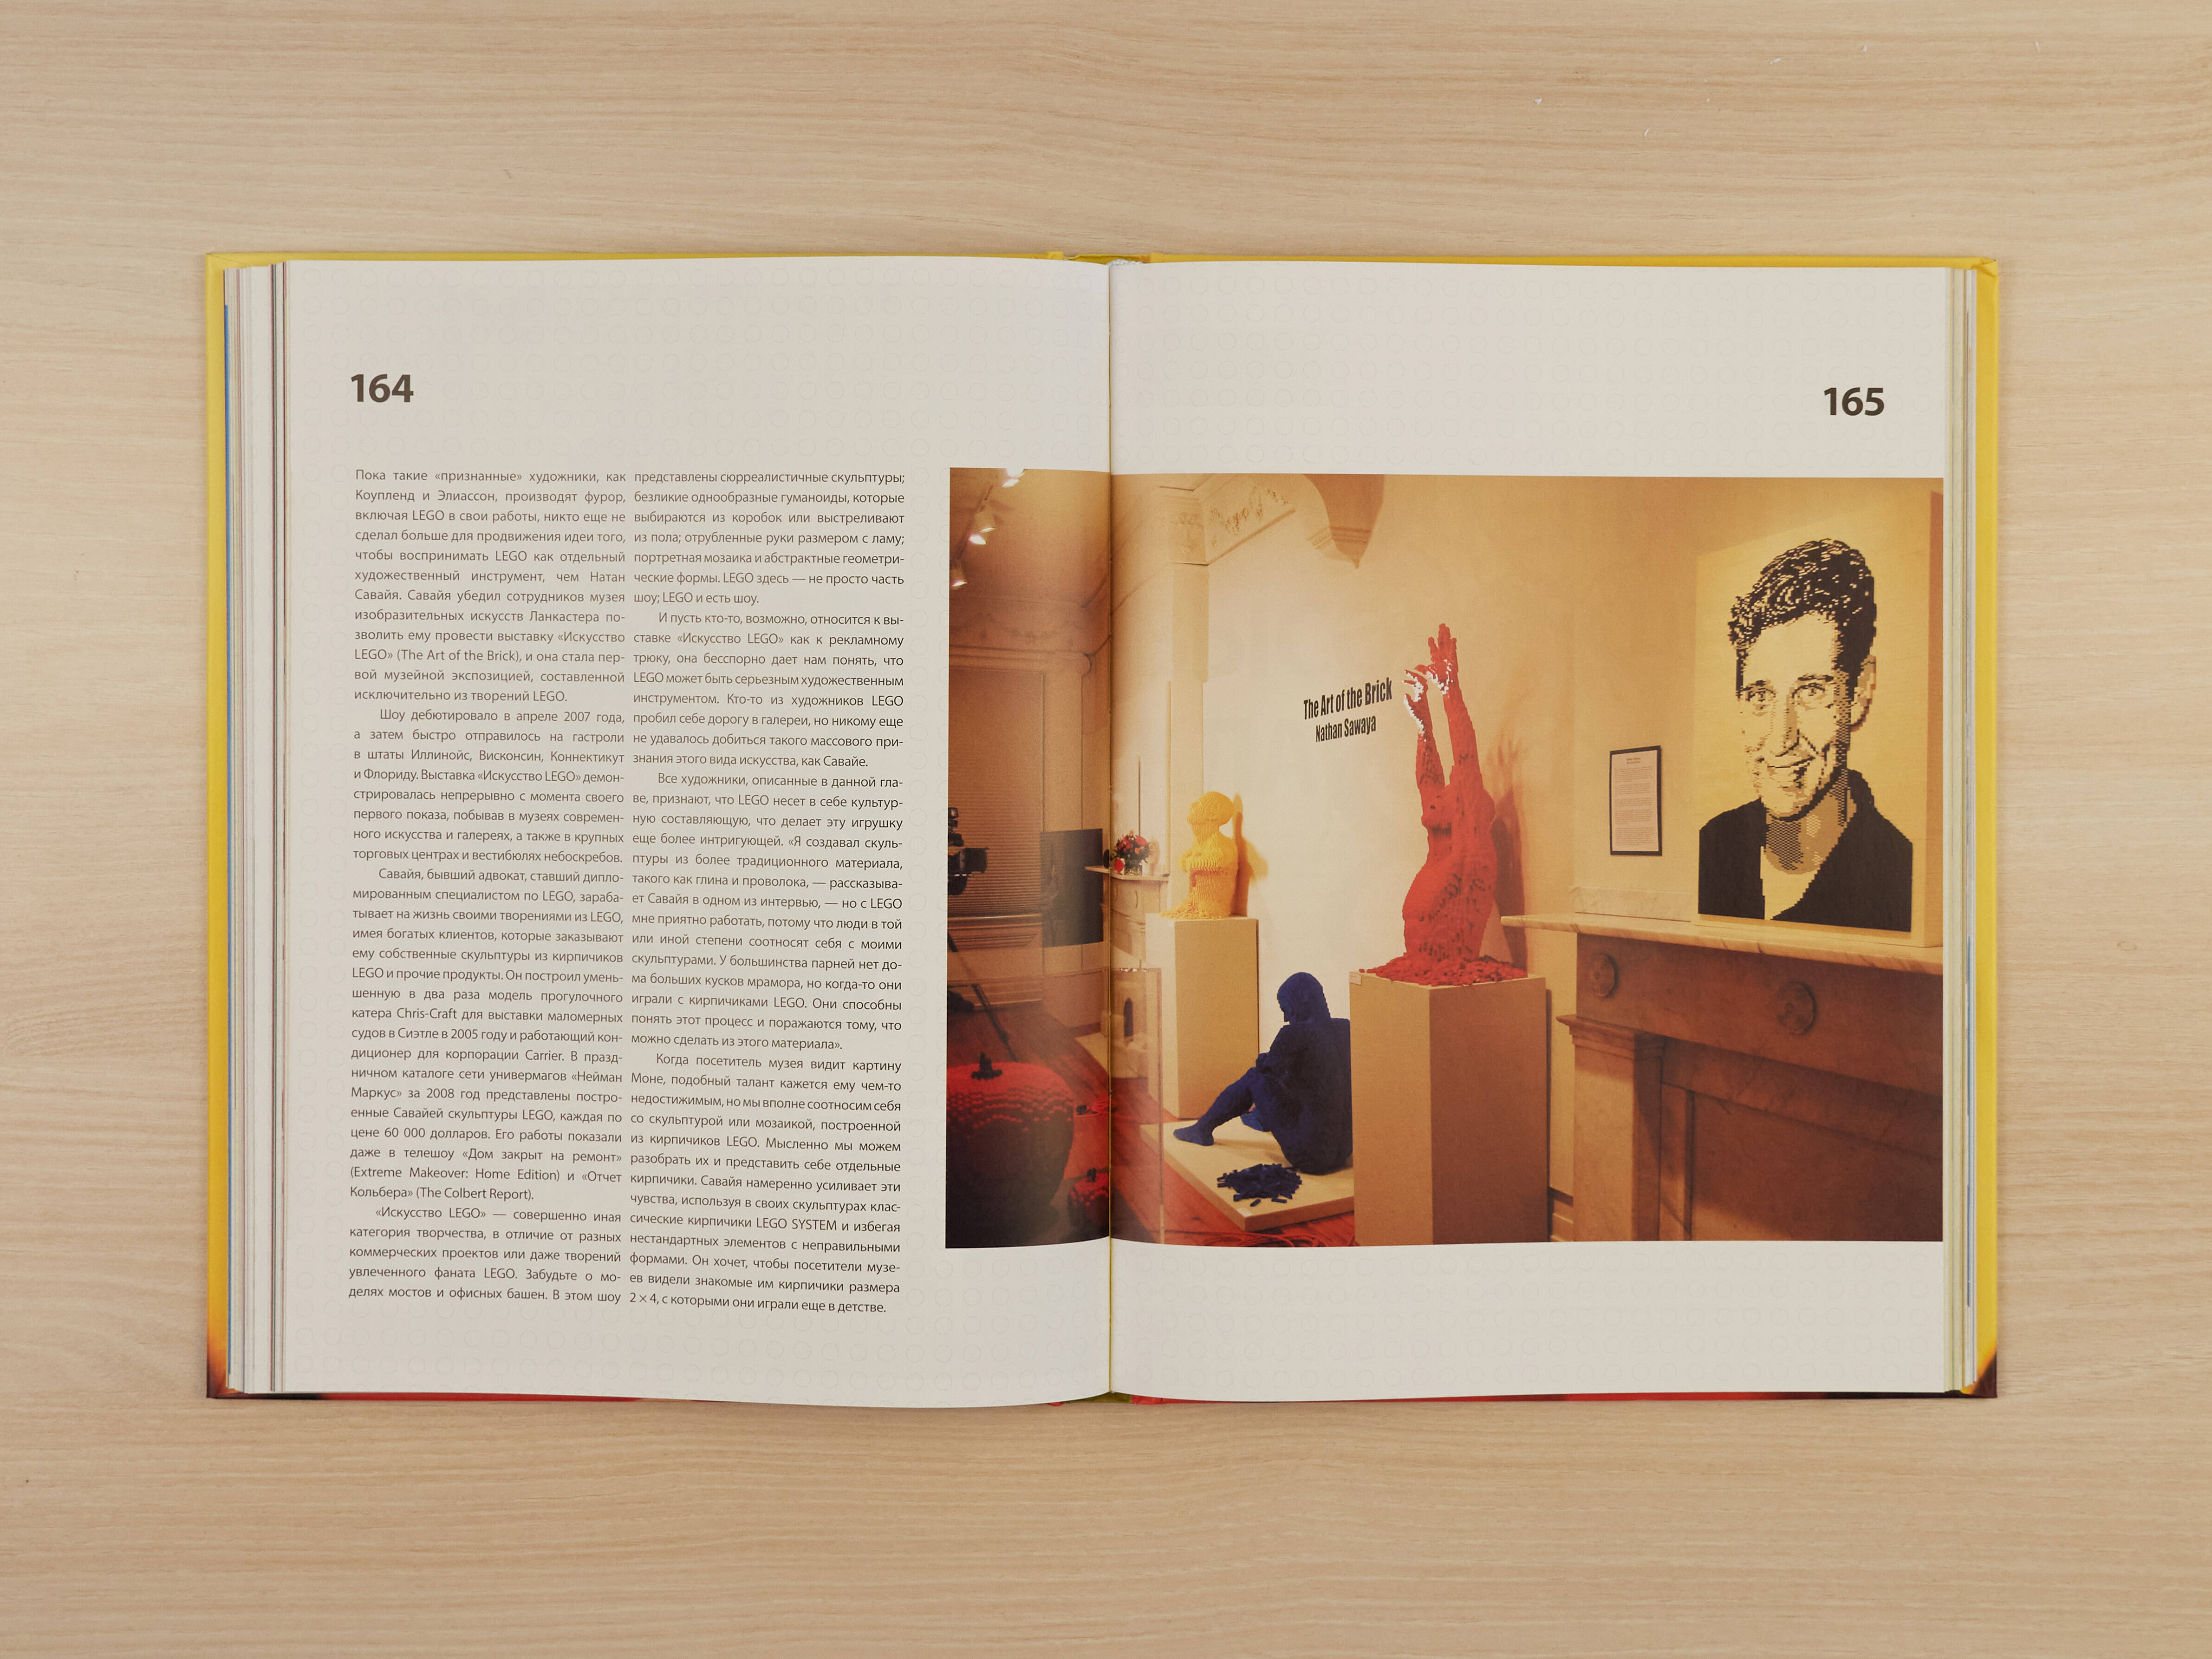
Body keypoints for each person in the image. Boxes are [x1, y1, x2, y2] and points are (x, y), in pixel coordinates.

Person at [1698, 538, 1912, 931]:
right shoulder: (1713, 845)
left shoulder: (1898, 873)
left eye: (1811, 692)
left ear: (1860, 691)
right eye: (1761, 697)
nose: (1782, 739)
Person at [1367, 622, 1523, 985]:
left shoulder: (1469, 853)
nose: (1435, 798)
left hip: (1448, 976)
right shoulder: (1440, 851)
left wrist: (1450, 691)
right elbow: (1427, 779)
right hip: (1421, 971)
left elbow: (1466, 758)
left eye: (1448, 794)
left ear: (1467, 808)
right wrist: (1423, 721)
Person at [1171, 973, 1352, 1176]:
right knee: (1295, 1083)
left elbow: (1265, 1073)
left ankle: (1202, 1129)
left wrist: (1266, 1061)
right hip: (1344, 1152)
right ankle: (1259, 1119)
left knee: (1254, 1077)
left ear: (1303, 999)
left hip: (1309, 1157)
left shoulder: (1294, 1034)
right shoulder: (1346, 1029)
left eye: (1286, 1009)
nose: (1286, 1018)